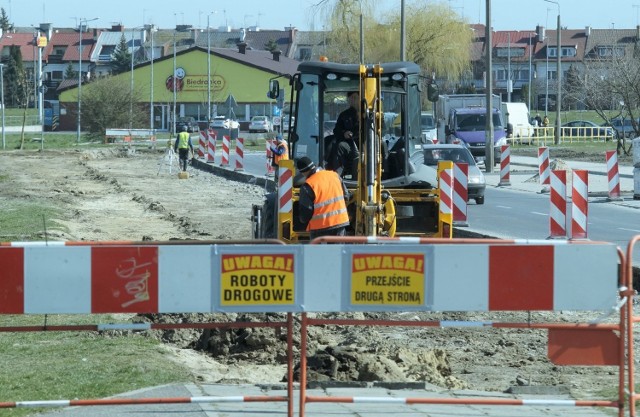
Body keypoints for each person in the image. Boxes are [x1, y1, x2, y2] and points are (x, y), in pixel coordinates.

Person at [296, 156, 350, 240]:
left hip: (320, 228)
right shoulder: (334, 175)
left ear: (303, 172)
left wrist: (302, 220)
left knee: (320, 253)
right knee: (338, 252)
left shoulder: (308, 185)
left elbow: (305, 213)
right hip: (340, 223)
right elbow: (346, 196)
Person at [329, 91, 360, 179]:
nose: (352, 100)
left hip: (367, 143)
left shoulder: (370, 113)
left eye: (354, 97)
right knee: (340, 146)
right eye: (350, 98)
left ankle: (385, 175)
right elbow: (336, 130)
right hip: (350, 144)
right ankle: (337, 176)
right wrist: (344, 133)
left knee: (382, 144)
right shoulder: (344, 115)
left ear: (360, 98)